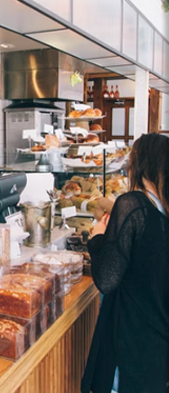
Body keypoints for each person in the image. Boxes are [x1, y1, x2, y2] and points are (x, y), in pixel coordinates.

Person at [81, 133, 169, 393]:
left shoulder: (133, 205)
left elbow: (107, 280)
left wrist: (96, 239)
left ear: (140, 164)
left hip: (131, 345)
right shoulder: (161, 211)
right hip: (158, 349)